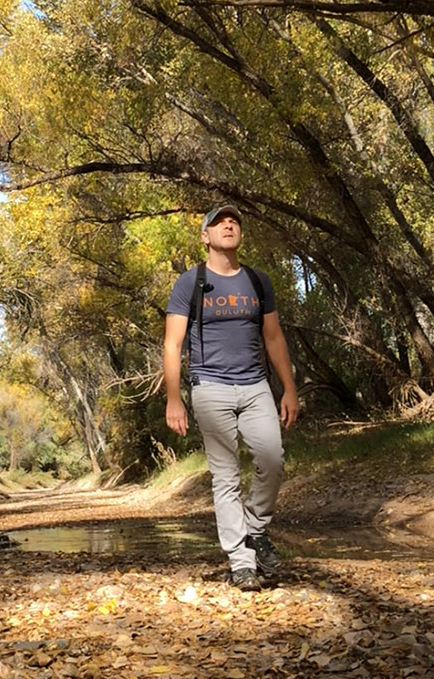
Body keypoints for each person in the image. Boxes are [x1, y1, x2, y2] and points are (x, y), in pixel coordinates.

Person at [162, 204, 299, 591]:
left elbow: (273, 338)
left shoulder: (257, 281)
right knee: (225, 478)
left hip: (256, 386)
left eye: (235, 221)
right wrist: (175, 398)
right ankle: (241, 561)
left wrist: (289, 389)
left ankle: (254, 530)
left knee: (272, 460)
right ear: (205, 236)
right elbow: (172, 345)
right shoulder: (191, 282)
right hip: (210, 387)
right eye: (220, 221)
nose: (229, 224)